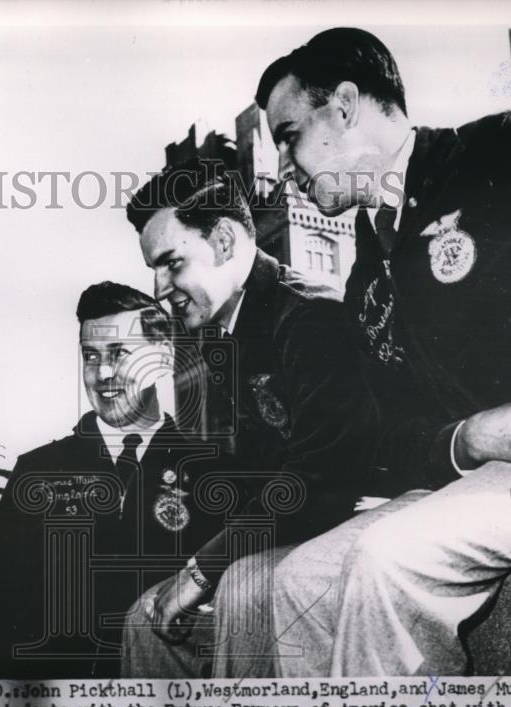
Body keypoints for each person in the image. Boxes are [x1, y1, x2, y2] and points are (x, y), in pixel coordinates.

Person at [256, 27, 511, 675]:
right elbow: (388, 430)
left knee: (387, 561)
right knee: (301, 579)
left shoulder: (503, 147)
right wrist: (471, 434)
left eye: (289, 134)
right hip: (489, 478)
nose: (283, 165)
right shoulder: (368, 272)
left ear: (344, 106)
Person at [121, 167, 378, 677]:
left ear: (222, 240)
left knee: (242, 591)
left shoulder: (310, 317)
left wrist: (204, 569)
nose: (160, 287)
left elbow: (320, 477)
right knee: (144, 619)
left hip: (355, 523)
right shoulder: (226, 333)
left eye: (172, 263)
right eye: (154, 269)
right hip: (295, 531)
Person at [0, 282, 222, 678]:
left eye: (119, 354)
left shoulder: (208, 472)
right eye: (90, 356)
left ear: (163, 358)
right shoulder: (39, 471)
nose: (102, 373)